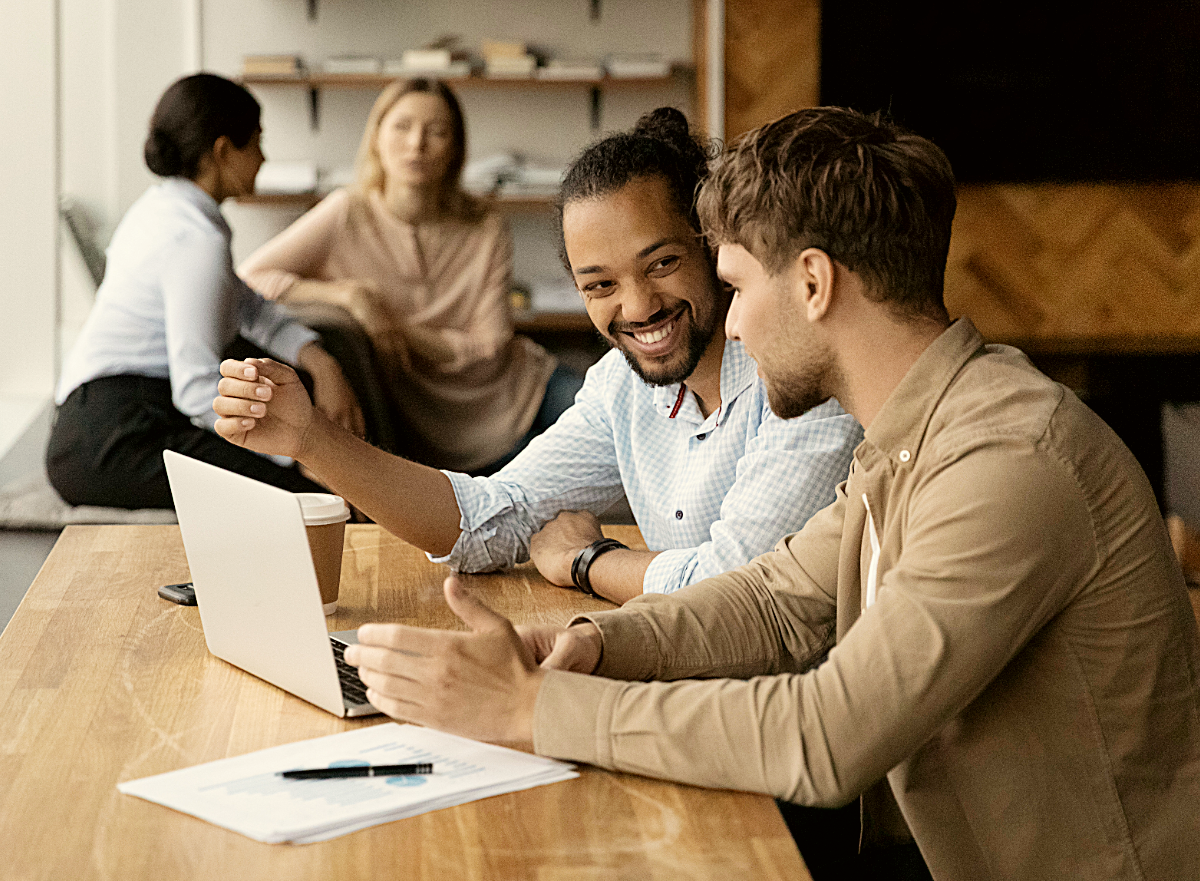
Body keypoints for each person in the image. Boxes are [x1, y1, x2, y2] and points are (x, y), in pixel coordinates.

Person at [334, 107, 1200, 881]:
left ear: (815, 284)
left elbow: (827, 735)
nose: (734, 324)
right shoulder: (919, 431)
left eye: (739, 284)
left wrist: (537, 708)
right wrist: (590, 647)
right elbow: (776, 601)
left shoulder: (1005, 460)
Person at [213, 108, 862, 603]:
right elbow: (487, 519)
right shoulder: (623, 386)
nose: (636, 307)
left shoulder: (802, 377)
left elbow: (734, 582)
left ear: (712, 247)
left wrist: (589, 561)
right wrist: (312, 439)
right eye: (600, 285)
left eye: (661, 263)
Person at [47, 73, 361, 510]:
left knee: (315, 495)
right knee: (316, 505)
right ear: (222, 151)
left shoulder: (169, 208)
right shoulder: (194, 240)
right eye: (255, 143)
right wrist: (293, 454)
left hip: (103, 420)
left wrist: (321, 362)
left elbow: (249, 306)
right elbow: (196, 387)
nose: (263, 158)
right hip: (114, 437)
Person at [239, 77, 574, 474]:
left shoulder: (485, 225)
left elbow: (491, 350)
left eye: (437, 132)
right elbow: (249, 278)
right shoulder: (346, 212)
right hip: (423, 426)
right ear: (377, 137)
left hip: (518, 394)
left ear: (455, 149)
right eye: (402, 127)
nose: (417, 144)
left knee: (618, 417)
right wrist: (348, 297)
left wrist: (392, 326)